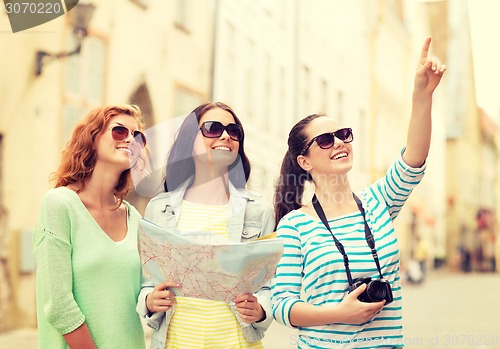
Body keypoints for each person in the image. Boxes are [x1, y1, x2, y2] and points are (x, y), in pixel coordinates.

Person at [271, 37, 446, 348]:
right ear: (304, 161)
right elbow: (282, 305)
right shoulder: (294, 226)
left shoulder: (379, 203)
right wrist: (339, 312)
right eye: (325, 140)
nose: (339, 142)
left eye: (343, 135)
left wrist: (422, 95)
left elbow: (414, 158)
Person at [137, 102, 275, 349]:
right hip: (177, 342)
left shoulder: (258, 210)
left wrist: (261, 309)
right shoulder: (159, 209)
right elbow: (147, 282)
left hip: (238, 343)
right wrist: (150, 300)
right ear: (190, 140)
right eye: (213, 128)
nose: (225, 135)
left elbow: (269, 286)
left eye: (234, 131)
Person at [33, 105, 148, 349]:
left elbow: (141, 295)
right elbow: (59, 306)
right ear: (92, 139)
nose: (130, 139)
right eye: (119, 131)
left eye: (137, 136)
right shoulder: (59, 204)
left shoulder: (134, 217)